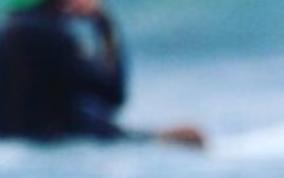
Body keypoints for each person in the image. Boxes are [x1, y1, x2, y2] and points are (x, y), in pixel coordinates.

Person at [0, 0, 203, 146]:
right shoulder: (54, 37)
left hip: (16, 140)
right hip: (72, 138)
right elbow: (113, 94)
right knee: (190, 137)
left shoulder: (7, 36)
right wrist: (103, 23)